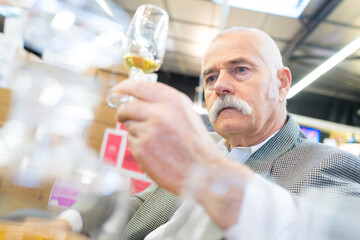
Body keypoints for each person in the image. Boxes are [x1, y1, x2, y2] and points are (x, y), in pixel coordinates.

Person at [25, 27, 360, 239]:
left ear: (282, 83)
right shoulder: (211, 146)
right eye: (211, 78)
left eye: (240, 69)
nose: (221, 86)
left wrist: (209, 174)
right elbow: (145, 203)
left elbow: (340, 231)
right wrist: (69, 223)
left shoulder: (325, 164)